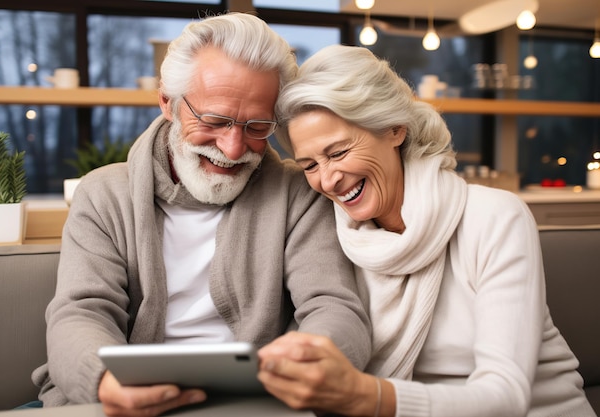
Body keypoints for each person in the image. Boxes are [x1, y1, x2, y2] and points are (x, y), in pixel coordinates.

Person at [31, 15, 371, 417]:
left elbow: (334, 308)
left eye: (257, 127)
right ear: (167, 103)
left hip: (262, 401)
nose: (232, 148)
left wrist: (304, 363)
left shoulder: (298, 192)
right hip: (119, 401)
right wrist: (105, 381)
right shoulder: (103, 194)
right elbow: (81, 312)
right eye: (214, 121)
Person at [257, 44, 596, 417]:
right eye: (309, 165)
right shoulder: (333, 240)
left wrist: (364, 396)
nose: (328, 180)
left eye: (338, 153)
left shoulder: (494, 217)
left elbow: (506, 396)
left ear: (394, 129)